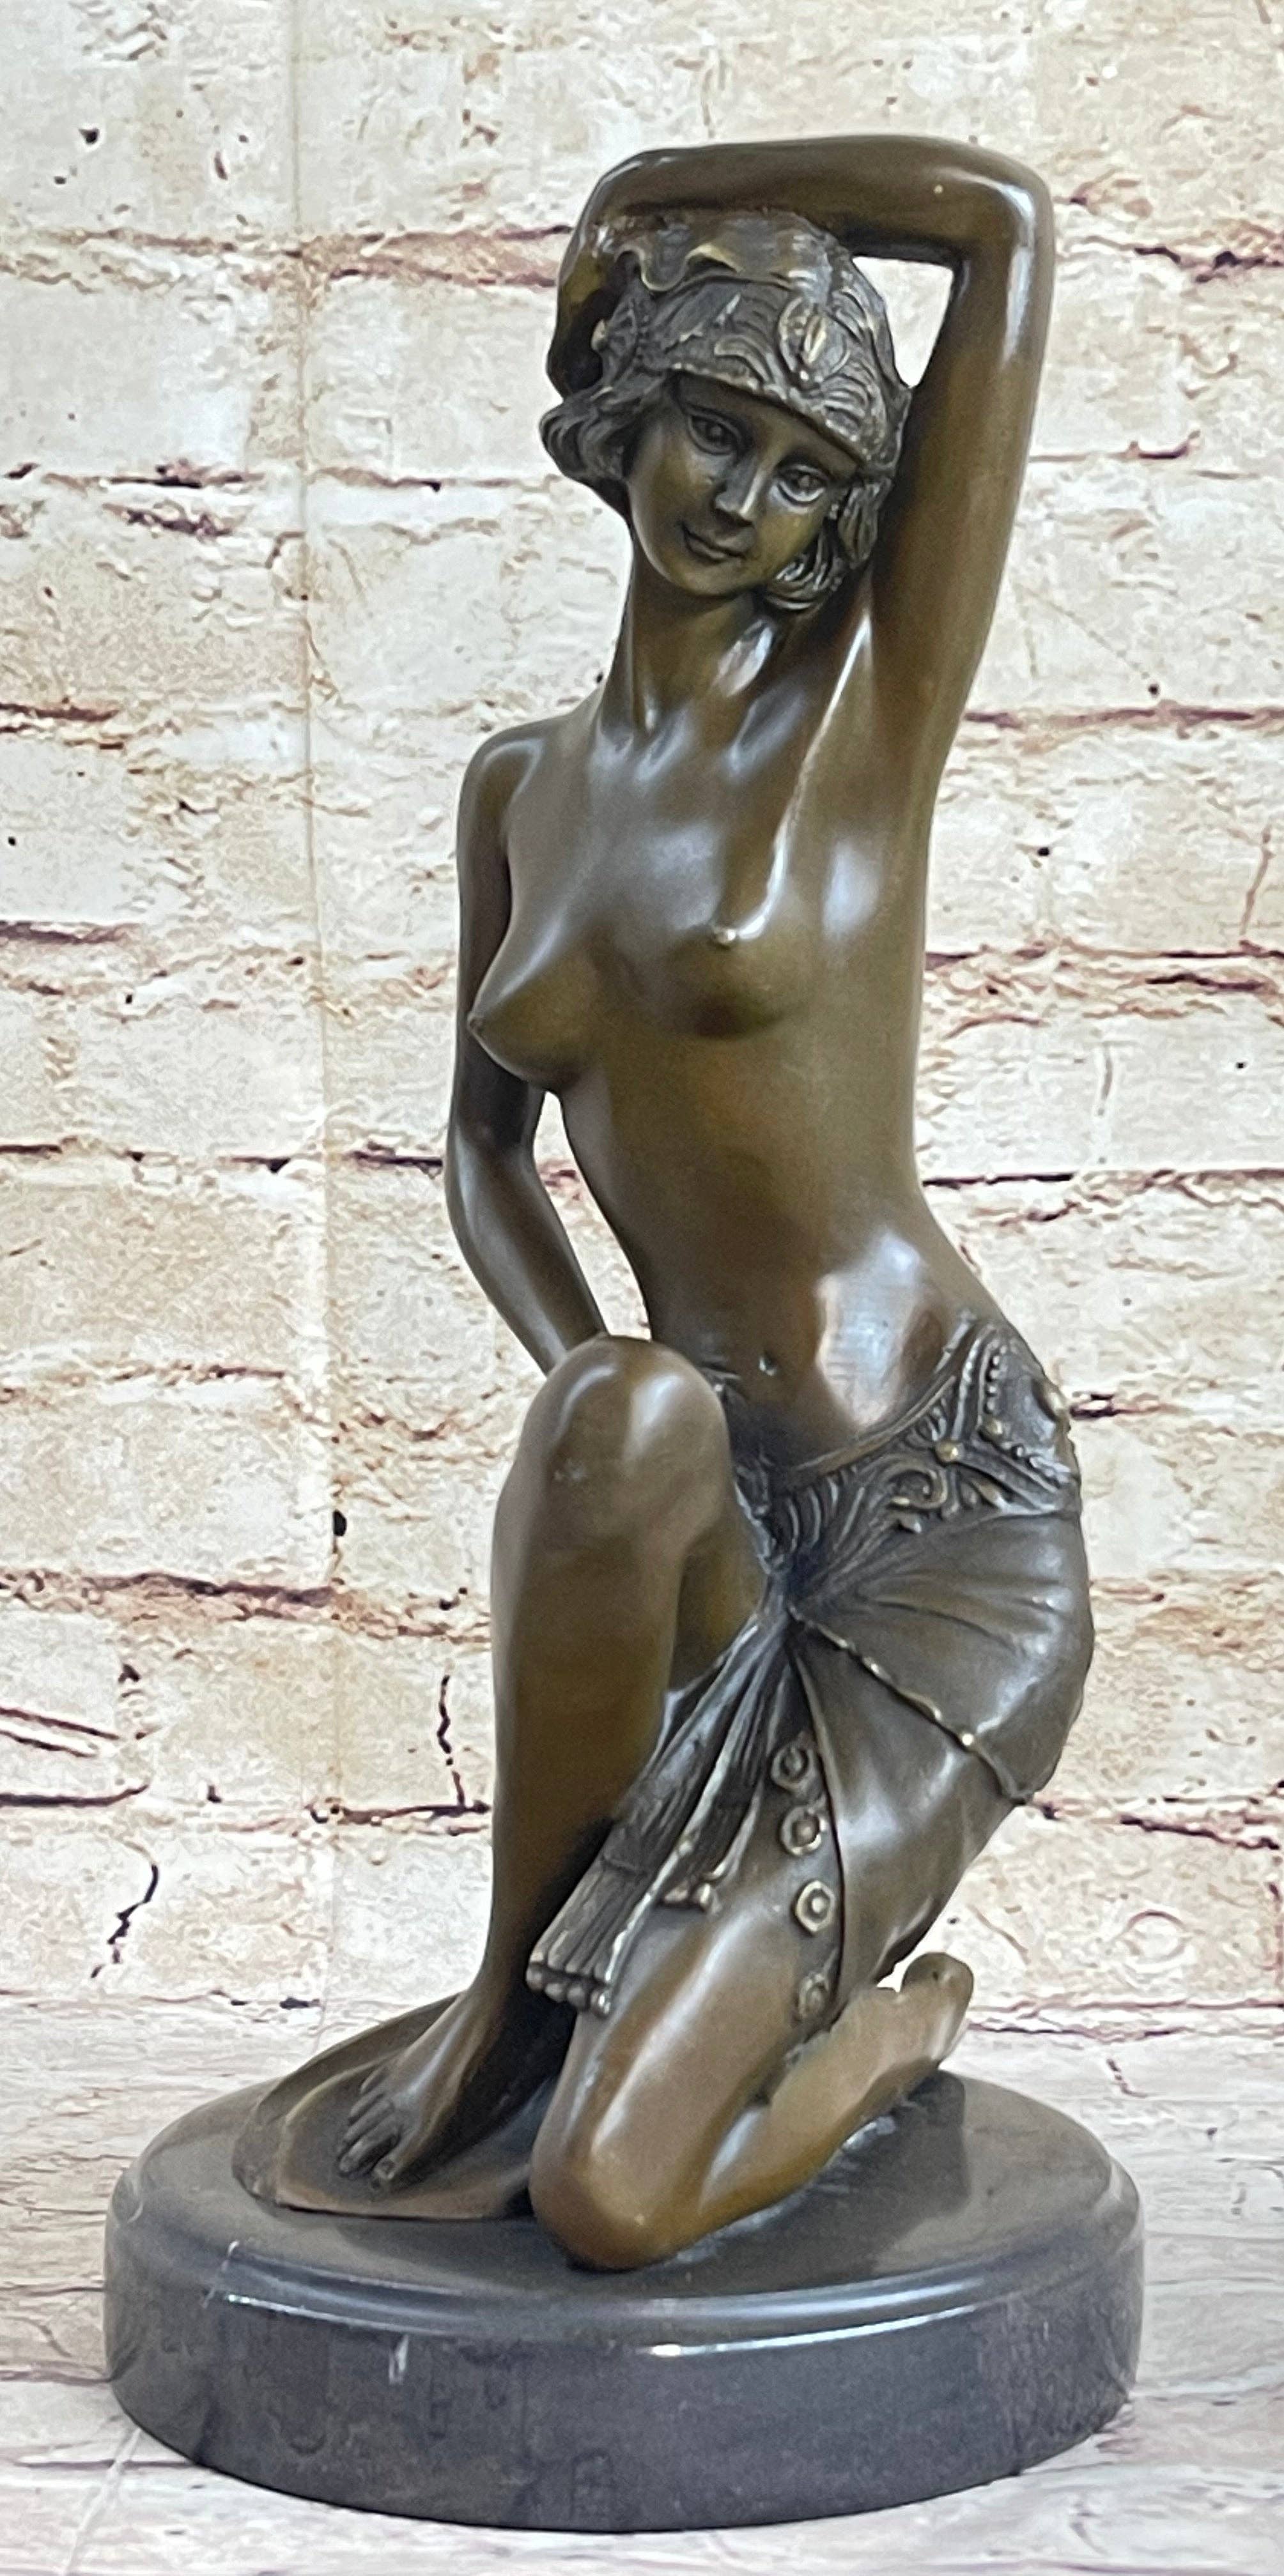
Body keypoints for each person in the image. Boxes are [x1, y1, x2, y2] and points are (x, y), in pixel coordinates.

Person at [235, 136, 1092, 2270]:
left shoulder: (859, 721)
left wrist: (647, 181)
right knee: (621, 1408)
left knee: (615, 2198)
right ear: (627, 419)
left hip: (923, 1529)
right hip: (702, 1507)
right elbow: (480, 1152)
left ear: (841, 524)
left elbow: (995, 227)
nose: (743, 500)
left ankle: (881, 2034)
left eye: (806, 476)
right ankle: (503, 2004)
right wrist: (604, 1400)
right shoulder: (516, 789)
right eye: (716, 429)